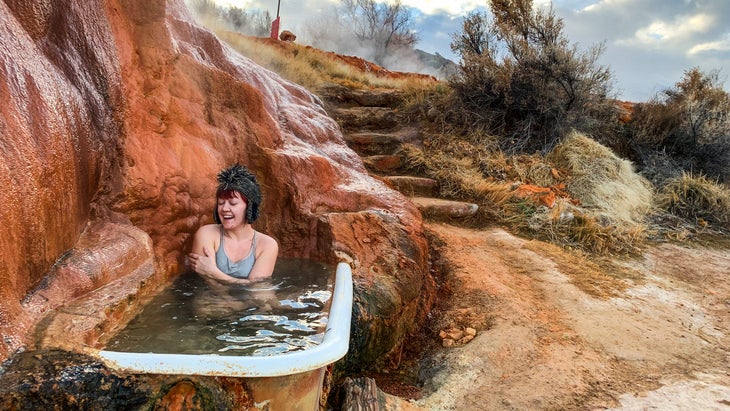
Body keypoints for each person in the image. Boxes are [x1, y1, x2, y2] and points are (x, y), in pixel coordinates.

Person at [188, 163, 278, 285]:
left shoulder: (267, 245)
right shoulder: (206, 234)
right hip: (211, 303)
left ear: (250, 207)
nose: (224, 208)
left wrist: (214, 273)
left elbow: (258, 292)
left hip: (249, 303)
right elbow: (208, 284)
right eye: (220, 203)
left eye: (233, 203)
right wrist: (244, 285)